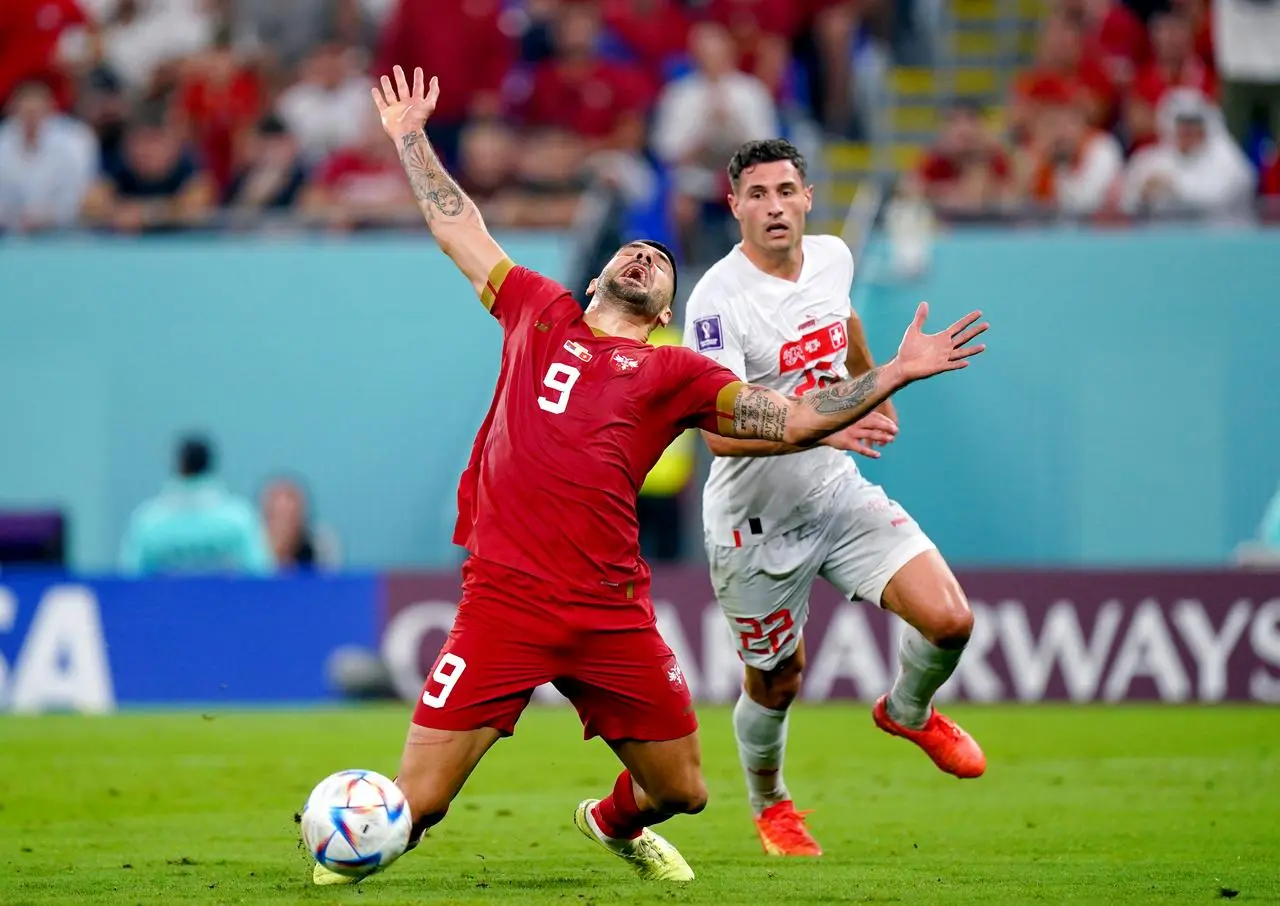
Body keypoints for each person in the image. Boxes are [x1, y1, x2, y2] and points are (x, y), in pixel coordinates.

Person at [311, 66, 987, 888]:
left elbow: (797, 420)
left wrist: (890, 375)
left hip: (608, 610)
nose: (643, 257)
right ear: (595, 280)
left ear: (664, 310)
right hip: (506, 601)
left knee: (684, 791)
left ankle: (614, 823)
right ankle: (342, 855)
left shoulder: (675, 375)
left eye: (659, 262)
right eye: (631, 253)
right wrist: (411, 139)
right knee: (415, 808)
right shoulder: (535, 308)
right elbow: (460, 228)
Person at [682, 137, 988, 859]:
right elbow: (719, 436)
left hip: (835, 493)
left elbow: (842, 321)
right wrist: (831, 425)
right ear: (735, 208)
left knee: (950, 620)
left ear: (807, 197)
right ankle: (772, 807)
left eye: (785, 191)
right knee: (778, 680)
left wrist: (871, 377)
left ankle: (908, 711)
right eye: (756, 195)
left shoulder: (832, 257)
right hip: (752, 527)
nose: (774, 207)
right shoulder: (715, 303)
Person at [119, 435, 274, 576]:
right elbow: (260, 577)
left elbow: (130, 580)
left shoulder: (149, 521)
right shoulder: (240, 519)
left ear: (179, 465)